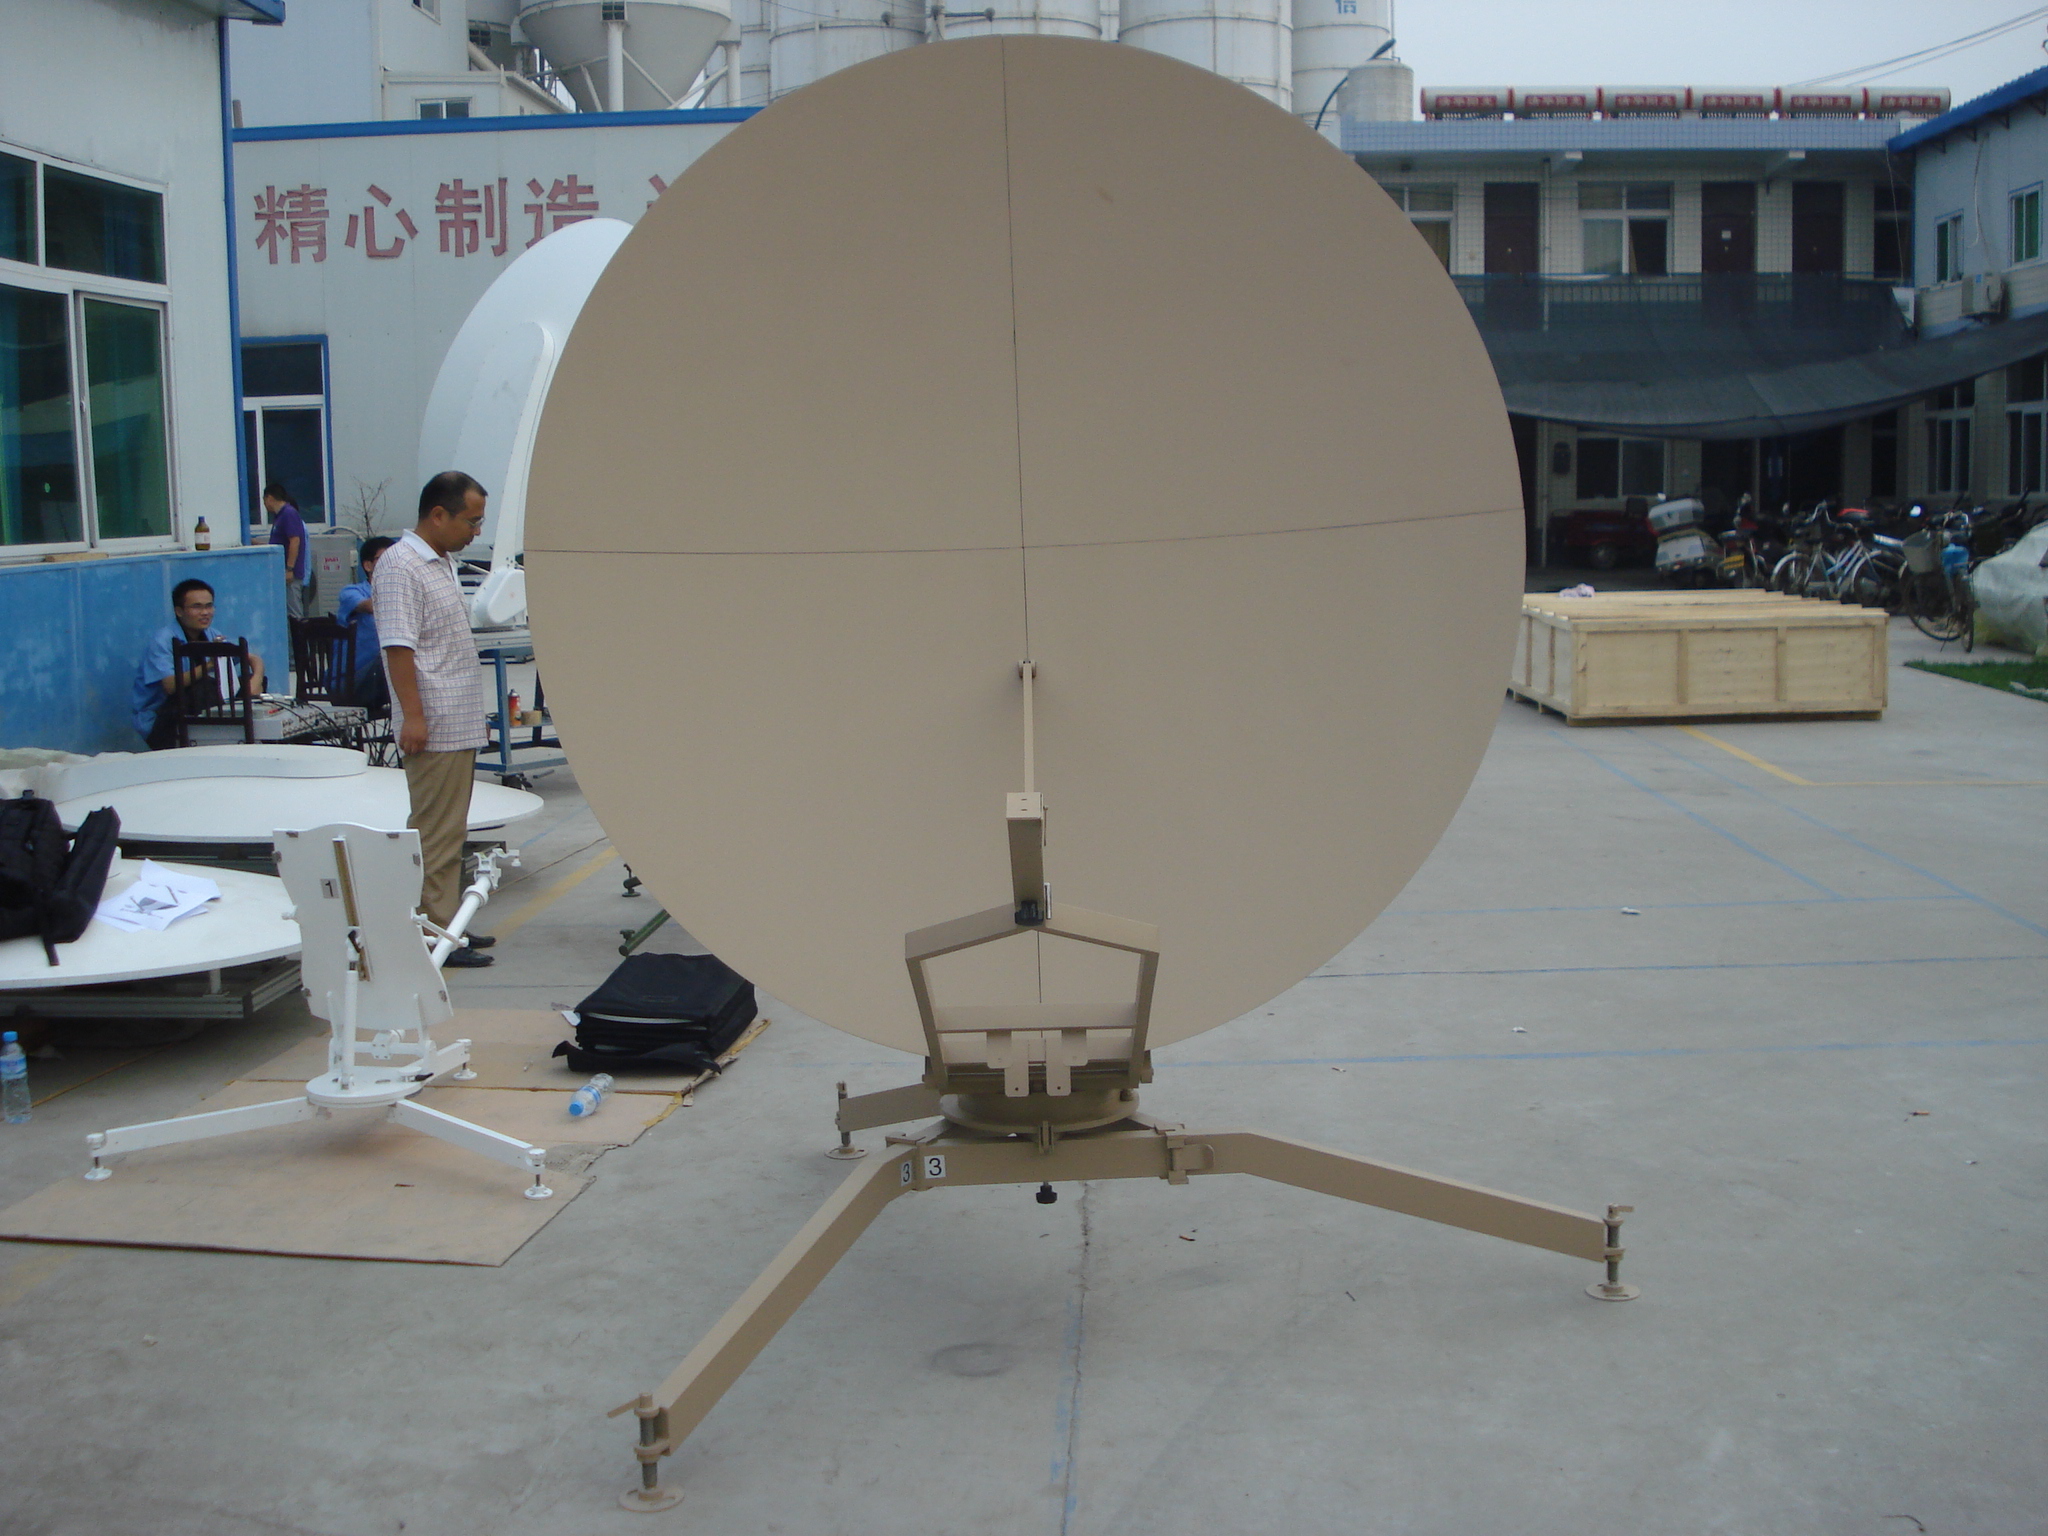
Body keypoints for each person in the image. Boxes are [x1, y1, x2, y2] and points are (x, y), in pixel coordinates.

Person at [375, 472, 494, 968]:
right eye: (471, 521)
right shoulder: (401, 566)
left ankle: (448, 923)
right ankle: (431, 933)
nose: (476, 531)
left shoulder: (440, 561)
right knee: (433, 831)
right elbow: (398, 646)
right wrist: (413, 716)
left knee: (450, 830)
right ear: (438, 515)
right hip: (435, 722)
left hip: (457, 719)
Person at [131, 579, 266, 750]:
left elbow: (253, 658)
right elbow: (170, 686)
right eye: (197, 607)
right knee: (206, 686)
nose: (205, 613)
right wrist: (209, 664)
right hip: (162, 719)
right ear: (179, 611)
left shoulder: (211, 633)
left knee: (246, 680)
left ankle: (240, 736)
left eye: (209, 606)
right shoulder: (162, 640)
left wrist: (255, 681)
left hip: (196, 707)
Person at [335, 535, 394, 714]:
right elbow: (369, 606)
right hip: (351, 682)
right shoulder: (351, 592)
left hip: (382, 680)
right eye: (386, 559)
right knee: (394, 652)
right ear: (368, 566)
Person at [264, 482, 312, 620]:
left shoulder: (288, 514)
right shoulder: (279, 516)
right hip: (281, 573)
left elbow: (294, 540)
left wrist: (290, 568)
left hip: (291, 575)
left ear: (269, 498)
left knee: (294, 613)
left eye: (264, 500)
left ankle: (299, 633)